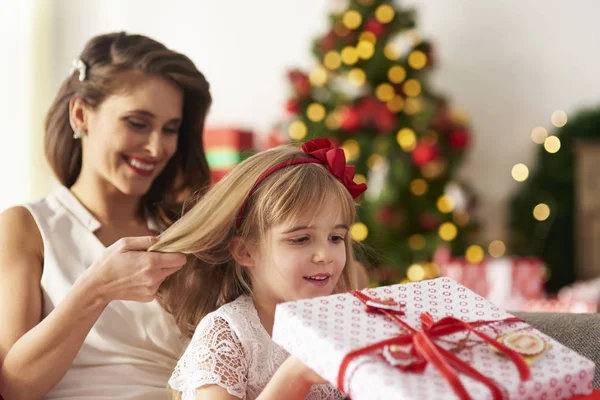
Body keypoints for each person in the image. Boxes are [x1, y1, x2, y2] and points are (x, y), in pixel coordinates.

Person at [0, 32, 212, 400]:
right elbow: (15, 387)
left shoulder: (186, 231)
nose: (156, 147)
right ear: (81, 115)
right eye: (137, 123)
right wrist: (96, 289)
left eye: (171, 129)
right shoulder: (26, 227)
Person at [150, 138, 367, 399]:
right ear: (245, 251)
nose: (325, 256)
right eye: (300, 239)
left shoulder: (340, 320)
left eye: (336, 238)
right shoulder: (227, 335)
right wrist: (296, 376)